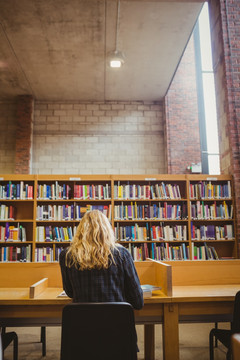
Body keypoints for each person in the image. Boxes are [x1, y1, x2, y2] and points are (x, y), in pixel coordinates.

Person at [59, 209, 143, 310]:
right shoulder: (122, 254)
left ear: (80, 230)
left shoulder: (67, 255)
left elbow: (70, 292)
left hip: (82, 322)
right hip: (117, 322)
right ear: (107, 230)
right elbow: (137, 301)